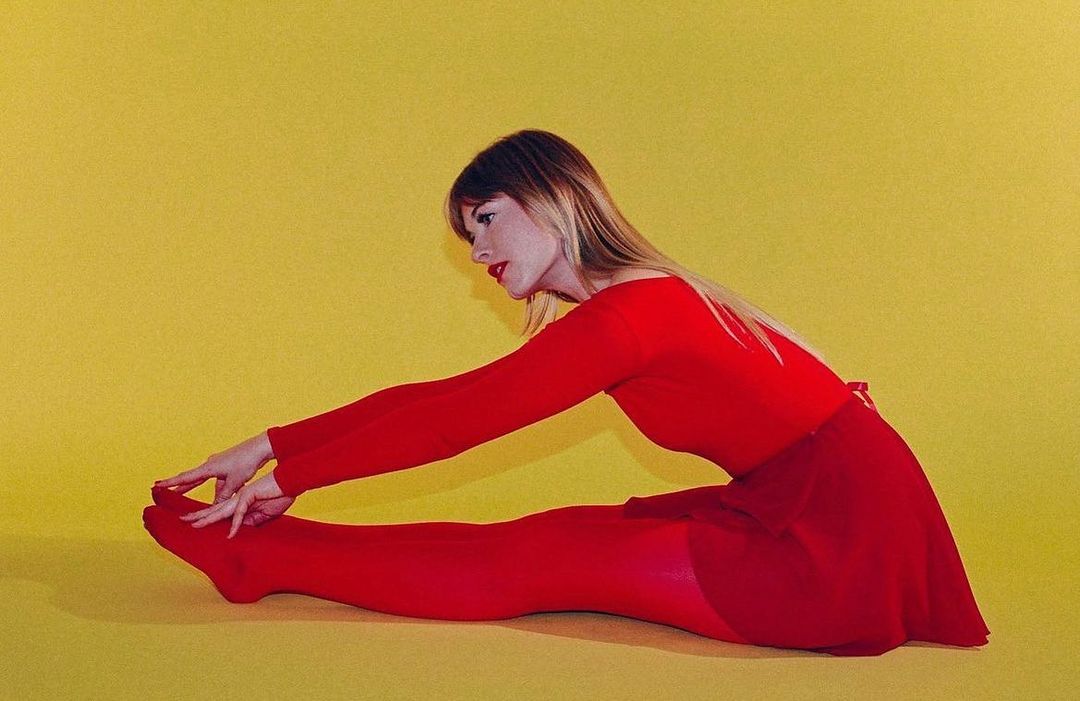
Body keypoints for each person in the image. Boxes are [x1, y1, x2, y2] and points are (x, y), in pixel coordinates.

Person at [143, 129, 990, 656]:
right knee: (556, 538)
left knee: (530, 559)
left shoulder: (629, 317)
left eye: (486, 219)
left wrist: (292, 480)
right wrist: (271, 446)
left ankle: (263, 557)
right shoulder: (630, 306)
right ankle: (272, 553)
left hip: (835, 539)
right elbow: (444, 397)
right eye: (466, 235)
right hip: (813, 505)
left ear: (553, 200)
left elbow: (453, 423)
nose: (477, 252)